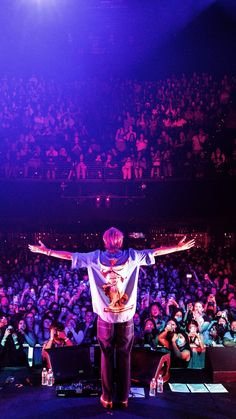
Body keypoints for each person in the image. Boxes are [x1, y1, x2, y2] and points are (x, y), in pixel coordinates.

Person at [29, 227, 194, 409]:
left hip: (105, 316)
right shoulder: (132, 256)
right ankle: (123, 398)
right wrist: (178, 248)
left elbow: (70, 255)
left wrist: (47, 251)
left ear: (105, 241)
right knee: (125, 355)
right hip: (126, 316)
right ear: (121, 242)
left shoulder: (94, 257)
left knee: (106, 356)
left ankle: (107, 397)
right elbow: (157, 251)